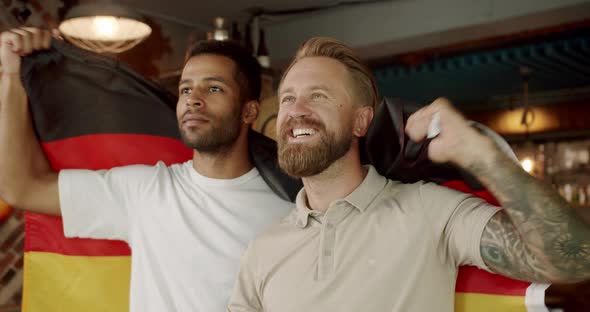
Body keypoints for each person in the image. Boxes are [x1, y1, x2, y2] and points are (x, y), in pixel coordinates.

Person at [227, 37, 590, 312]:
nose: (296, 110)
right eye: (288, 98)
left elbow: (574, 260)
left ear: (360, 120)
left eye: (318, 95)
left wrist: (485, 157)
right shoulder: (263, 249)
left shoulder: (430, 210)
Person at [0, 28, 294, 311]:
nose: (193, 99)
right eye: (186, 89)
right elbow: (22, 187)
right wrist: (13, 74)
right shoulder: (146, 190)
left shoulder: (291, 206)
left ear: (249, 112)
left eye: (214, 87)